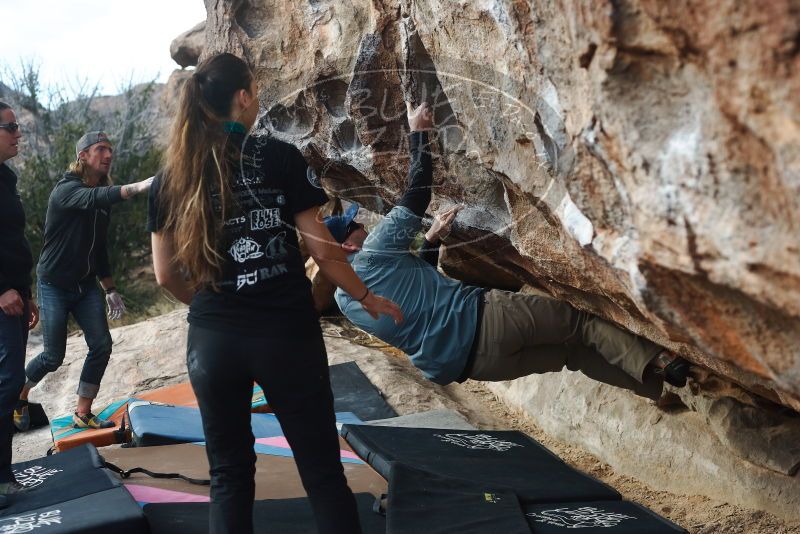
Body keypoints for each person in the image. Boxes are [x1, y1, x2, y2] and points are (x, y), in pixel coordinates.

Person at [148, 52, 402, 534]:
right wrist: (367, 298)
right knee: (322, 471)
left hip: (213, 341)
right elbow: (324, 251)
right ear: (242, 98)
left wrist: (210, 308)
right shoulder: (280, 157)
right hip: (286, 334)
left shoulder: (171, 178)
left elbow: (165, 275)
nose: (258, 99)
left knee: (229, 474)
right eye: (256, 91)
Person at [331, 102, 690, 401]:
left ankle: (653, 387)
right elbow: (417, 193)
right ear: (348, 244)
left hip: (477, 366)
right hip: (487, 322)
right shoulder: (372, 254)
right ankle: (660, 361)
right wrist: (418, 131)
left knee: (574, 353)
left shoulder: (347, 301)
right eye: (354, 226)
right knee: (581, 322)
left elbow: (413, 301)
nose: (362, 225)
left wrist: (431, 241)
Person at [15, 131, 153, 431]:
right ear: (83, 156)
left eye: (110, 150)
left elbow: (99, 249)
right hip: (54, 285)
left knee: (102, 344)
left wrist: (111, 290)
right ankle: (20, 393)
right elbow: (93, 197)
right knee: (53, 356)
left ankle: (82, 411)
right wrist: (140, 186)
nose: (108, 155)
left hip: (86, 285)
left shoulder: (100, 200)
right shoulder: (66, 190)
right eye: (100, 149)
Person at [0, 101, 39, 500]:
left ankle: (5, 473)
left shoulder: (5, 179)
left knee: (7, 384)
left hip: (13, 299)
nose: (17, 133)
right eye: (9, 127)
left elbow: (12, 243)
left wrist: (24, 291)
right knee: (7, 382)